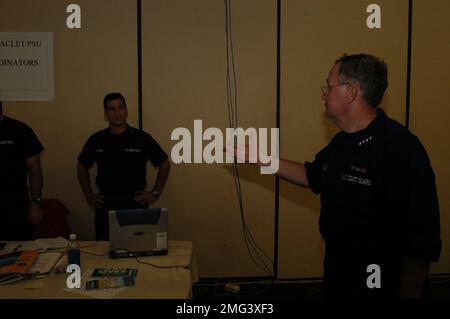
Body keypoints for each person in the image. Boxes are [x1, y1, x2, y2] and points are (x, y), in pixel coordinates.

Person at [228, 54, 441, 299]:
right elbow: (313, 175)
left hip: (382, 282)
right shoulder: (341, 143)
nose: (323, 94)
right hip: (339, 272)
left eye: (328, 87)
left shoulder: (400, 148)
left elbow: (423, 236)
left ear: (350, 92)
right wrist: (260, 158)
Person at [77, 93, 171, 241]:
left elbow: (164, 163)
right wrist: (89, 195)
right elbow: (82, 166)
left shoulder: (141, 138)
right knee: (105, 254)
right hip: (106, 205)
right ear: (106, 114)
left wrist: (155, 192)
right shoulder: (97, 139)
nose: (117, 113)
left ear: (126, 110)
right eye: (112, 109)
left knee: (137, 249)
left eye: (121, 107)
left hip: (135, 204)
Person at [0, 103, 44, 240]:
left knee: (20, 251)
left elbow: (35, 168)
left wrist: (35, 202)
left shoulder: (18, 129)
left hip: (14, 205)